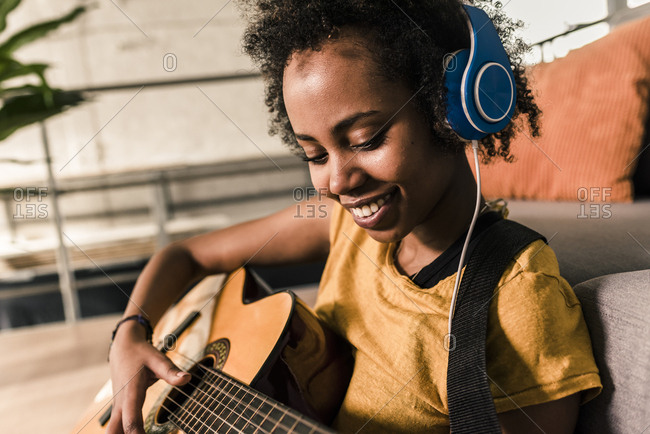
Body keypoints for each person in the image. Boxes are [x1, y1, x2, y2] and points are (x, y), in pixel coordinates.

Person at [107, 1, 602, 433]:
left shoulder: (517, 298)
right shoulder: (343, 224)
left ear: (453, 111)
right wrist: (130, 332)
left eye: (365, 141)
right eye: (315, 154)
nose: (338, 182)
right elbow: (186, 253)